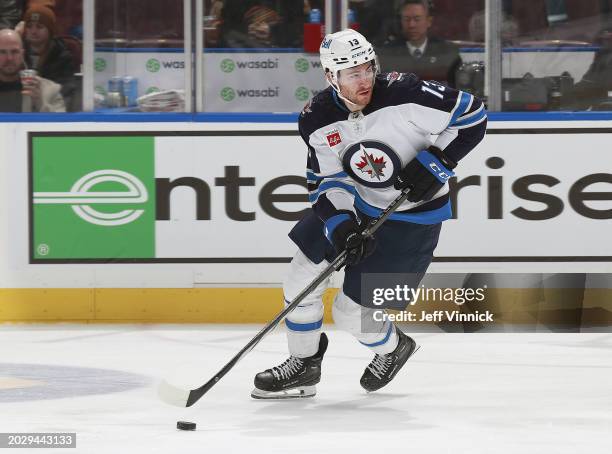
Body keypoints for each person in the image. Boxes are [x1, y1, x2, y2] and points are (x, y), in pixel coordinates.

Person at [251, 28, 486, 399]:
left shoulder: (406, 94)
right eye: (352, 73)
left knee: (351, 315)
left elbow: (473, 115)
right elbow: (326, 183)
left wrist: (438, 161)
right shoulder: (317, 117)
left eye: (367, 68)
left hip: (412, 218)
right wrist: (342, 226)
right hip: (356, 206)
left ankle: (393, 348)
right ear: (331, 77)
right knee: (299, 279)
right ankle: (303, 366)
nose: (364, 80)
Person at [377, 0, 462, 87]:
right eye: (406, 19)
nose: (411, 25)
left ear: (429, 21)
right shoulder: (386, 53)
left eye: (417, 19)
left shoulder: (447, 51)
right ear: (400, 21)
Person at [21, 5, 78, 110]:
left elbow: (65, 97)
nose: (33, 31)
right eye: (29, 26)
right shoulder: (16, 54)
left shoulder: (62, 58)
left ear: (50, 30)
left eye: (39, 27)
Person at [0, 28, 65, 112]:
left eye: (15, 52)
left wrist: (40, 102)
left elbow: (62, 124)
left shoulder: (50, 90)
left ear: (22, 54)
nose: (9, 58)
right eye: (2, 52)